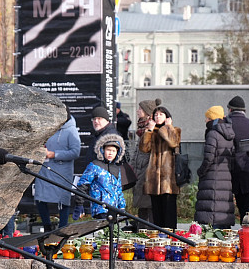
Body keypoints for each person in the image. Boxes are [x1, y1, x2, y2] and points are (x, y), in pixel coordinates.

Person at [34, 105, 81, 232]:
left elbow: (75, 152)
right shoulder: (49, 126)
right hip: (44, 169)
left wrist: (54, 154)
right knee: (39, 197)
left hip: (61, 171)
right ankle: (47, 226)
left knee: (62, 200)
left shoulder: (71, 130)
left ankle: (62, 229)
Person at [194, 106, 235, 229]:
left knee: (211, 209)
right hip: (226, 178)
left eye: (207, 118)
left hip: (211, 178)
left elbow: (209, 158)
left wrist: (201, 172)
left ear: (212, 118)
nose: (205, 121)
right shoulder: (229, 133)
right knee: (222, 208)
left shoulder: (213, 133)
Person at [140, 105, 181, 229]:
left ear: (167, 117)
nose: (158, 117)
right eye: (156, 115)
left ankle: (171, 236)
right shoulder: (151, 132)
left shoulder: (174, 130)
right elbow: (144, 148)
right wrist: (149, 131)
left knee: (169, 210)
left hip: (168, 178)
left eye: (161, 115)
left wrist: (167, 127)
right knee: (156, 211)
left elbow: (173, 143)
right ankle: (158, 237)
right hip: (153, 178)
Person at [74, 134, 126, 219]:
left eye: (113, 151)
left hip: (115, 210)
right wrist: (79, 204)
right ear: (102, 150)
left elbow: (119, 190)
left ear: (117, 153)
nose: (110, 153)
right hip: (100, 209)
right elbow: (83, 185)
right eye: (108, 150)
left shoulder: (117, 169)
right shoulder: (94, 165)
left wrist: (122, 207)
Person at [131, 98, 161, 228]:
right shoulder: (142, 129)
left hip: (148, 174)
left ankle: (148, 237)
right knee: (143, 208)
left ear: (148, 113)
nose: (138, 111)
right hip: (140, 173)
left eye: (140, 109)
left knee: (149, 209)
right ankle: (142, 234)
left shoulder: (154, 129)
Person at [226, 95, 249, 220]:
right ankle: (247, 228)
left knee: (225, 203)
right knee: (245, 203)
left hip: (228, 166)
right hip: (245, 166)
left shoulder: (226, 122)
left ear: (230, 109)